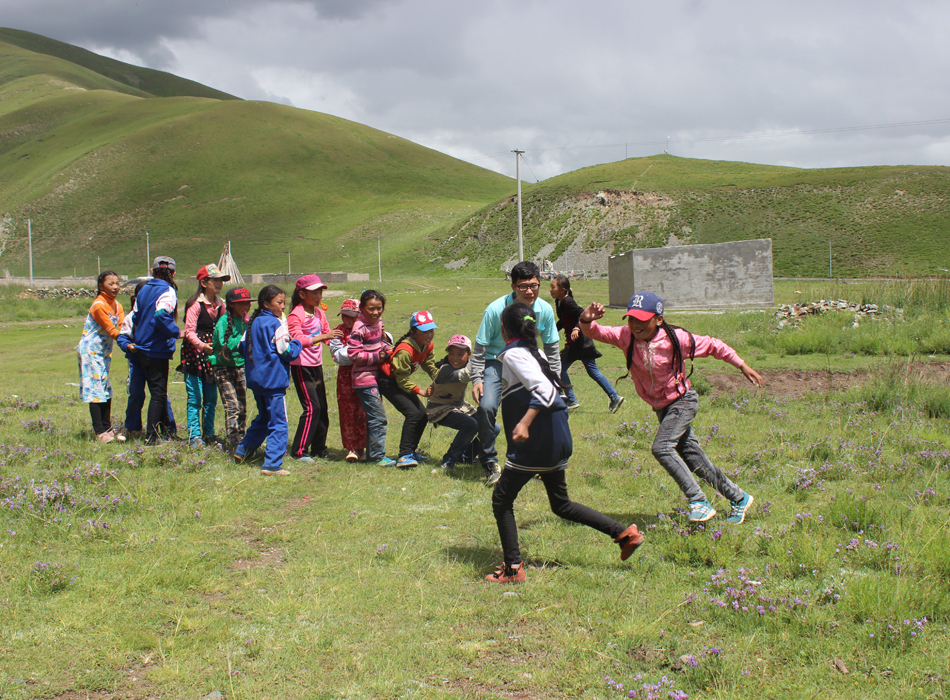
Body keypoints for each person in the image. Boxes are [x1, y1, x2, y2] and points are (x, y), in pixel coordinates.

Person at [485, 303, 644, 584]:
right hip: (558, 437)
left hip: (537, 440)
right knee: (560, 504)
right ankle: (624, 534)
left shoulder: (513, 354)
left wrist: (524, 422)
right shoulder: (536, 354)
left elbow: (546, 393)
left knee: (501, 500)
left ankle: (513, 568)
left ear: (504, 329)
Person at [579, 291, 763, 524]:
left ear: (658, 319)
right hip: (662, 408)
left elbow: (715, 346)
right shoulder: (626, 336)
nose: (635, 325)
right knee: (694, 459)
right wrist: (586, 319)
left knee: (662, 447)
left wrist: (742, 365)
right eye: (632, 318)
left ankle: (698, 501)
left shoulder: (678, 339)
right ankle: (739, 498)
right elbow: (596, 331)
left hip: (682, 401)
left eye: (642, 319)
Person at [470, 261, 562, 485]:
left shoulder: (545, 310)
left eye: (534, 285)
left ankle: (534, 460)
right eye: (523, 286)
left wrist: (555, 381)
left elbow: (551, 348)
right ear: (513, 287)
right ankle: (489, 461)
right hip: (496, 361)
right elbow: (480, 347)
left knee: (540, 406)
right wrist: (476, 379)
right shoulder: (495, 310)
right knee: (487, 406)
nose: (530, 291)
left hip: (526, 361)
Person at [235, 285, 303, 475]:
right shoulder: (276, 324)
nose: (283, 306)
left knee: (264, 417)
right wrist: (296, 343)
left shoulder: (253, 322)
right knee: (279, 422)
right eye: (278, 302)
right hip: (273, 381)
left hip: (257, 380)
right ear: (266, 303)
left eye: (284, 302)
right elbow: (286, 351)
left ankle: (244, 450)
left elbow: (241, 347)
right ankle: (272, 463)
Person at [287, 275, 343, 463]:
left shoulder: (319, 313)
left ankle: (320, 448)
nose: (319, 295)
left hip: (316, 364)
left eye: (320, 291)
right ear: (302, 294)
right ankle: (299, 451)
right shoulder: (296, 314)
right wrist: (323, 336)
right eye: (314, 292)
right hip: (301, 366)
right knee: (312, 407)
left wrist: (342, 343)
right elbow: (297, 340)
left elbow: (327, 336)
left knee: (322, 408)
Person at [549, 274, 624, 413]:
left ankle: (571, 400)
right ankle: (615, 397)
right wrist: (550, 330)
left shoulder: (568, 302)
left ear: (562, 289)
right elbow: (563, 321)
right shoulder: (560, 302)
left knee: (558, 367)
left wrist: (577, 327)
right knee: (593, 371)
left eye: (553, 287)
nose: (550, 289)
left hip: (578, 342)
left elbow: (582, 314)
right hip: (582, 342)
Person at [116, 281, 178, 441]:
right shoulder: (132, 317)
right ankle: (131, 427)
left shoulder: (160, 317)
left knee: (160, 396)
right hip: (136, 362)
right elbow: (122, 336)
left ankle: (168, 429)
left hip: (155, 358)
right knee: (136, 394)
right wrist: (128, 346)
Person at [379, 310, 440, 468]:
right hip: (388, 382)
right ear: (413, 332)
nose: (429, 334)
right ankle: (404, 455)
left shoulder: (427, 345)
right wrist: (421, 391)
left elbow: (429, 365)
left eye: (431, 330)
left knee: (423, 414)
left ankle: (411, 452)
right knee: (413, 414)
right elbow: (402, 381)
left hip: (399, 382)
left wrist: (440, 380)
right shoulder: (405, 351)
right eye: (424, 331)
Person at [133, 256, 180, 445]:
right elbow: (161, 315)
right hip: (156, 348)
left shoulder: (143, 289)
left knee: (154, 390)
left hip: (142, 345)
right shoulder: (168, 291)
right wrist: (175, 332)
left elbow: (136, 315)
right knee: (159, 393)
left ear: (152, 272)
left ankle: (165, 431)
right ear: (173, 273)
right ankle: (152, 437)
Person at [181, 264, 228, 447]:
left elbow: (224, 325)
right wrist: (202, 346)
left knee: (211, 397)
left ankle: (209, 433)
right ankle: (194, 436)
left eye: (220, 280)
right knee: (195, 396)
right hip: (194, 354)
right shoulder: (195, 305)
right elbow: (189, 331)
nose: (219, 283)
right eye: (215, 280)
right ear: (203, 282)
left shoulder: (221, 303)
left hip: (211, 356)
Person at [347, 290, 394, 467]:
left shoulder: (378, 322)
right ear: (361, 308)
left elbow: (377, 343)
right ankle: (377, 456)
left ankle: (372, 453)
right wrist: (378, 357)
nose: (375, 312)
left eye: (379, 308)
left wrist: (386, 348)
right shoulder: (359, 327)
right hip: (364, 379)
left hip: (376, 377)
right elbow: (353, 354)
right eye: (371, 309)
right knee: (378, 417)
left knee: (374, 417)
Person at [77, 270, 125, 443]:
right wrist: (132, 342)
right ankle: (100, 432)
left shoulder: (117, 305)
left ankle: (108, 428)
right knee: (96, 390)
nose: (115, 287)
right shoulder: (99, 305)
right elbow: (113, 331)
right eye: (110, 283)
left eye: (117, 283)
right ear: (100, 286)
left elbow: (122, 327)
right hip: (91, 351)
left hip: (104, 352)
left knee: (105, 389)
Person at [426, 334, 486, 471]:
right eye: (451, 353)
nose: (455, 358)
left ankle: (467, 456)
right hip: (439, 408)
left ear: (468, 354)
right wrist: (479, 357)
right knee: (471, 424)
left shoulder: (466, 364)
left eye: (460, 354)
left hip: (458, 406)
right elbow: (465, 375)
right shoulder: (445, 370)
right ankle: (449, 460)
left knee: (493, 428)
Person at [212, 287, 251, 449]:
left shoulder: (247, 320)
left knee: (242, 404)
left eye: (248, 303)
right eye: (241, 303)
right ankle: (233, 438)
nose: (246, 306)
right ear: (231, 305)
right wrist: (242, 339)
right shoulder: (223, 322)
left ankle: (242, 437)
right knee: (232, 405)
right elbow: (223, 344)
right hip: (223, 367)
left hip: (240, 366)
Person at [328, 298, 367, 463]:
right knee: (347, 412)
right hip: (346, 379)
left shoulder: (368, 328)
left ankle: (363, 448)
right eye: (344, 316)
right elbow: (338, 356)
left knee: (364, 411)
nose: (347, 320)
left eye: (352, 316)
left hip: (366, 376)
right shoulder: (337, 331)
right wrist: (360, 352)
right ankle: (351, 448)